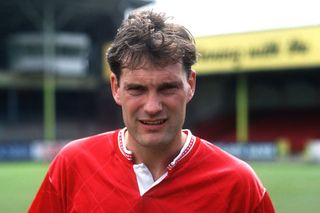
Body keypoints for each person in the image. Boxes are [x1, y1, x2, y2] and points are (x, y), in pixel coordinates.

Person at [29, 10, 275, 213]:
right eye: (137, 89)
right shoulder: (72, 165)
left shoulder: (238, 185)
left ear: (190, 85)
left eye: (168, 88)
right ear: (116, 87)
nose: (152, 107)